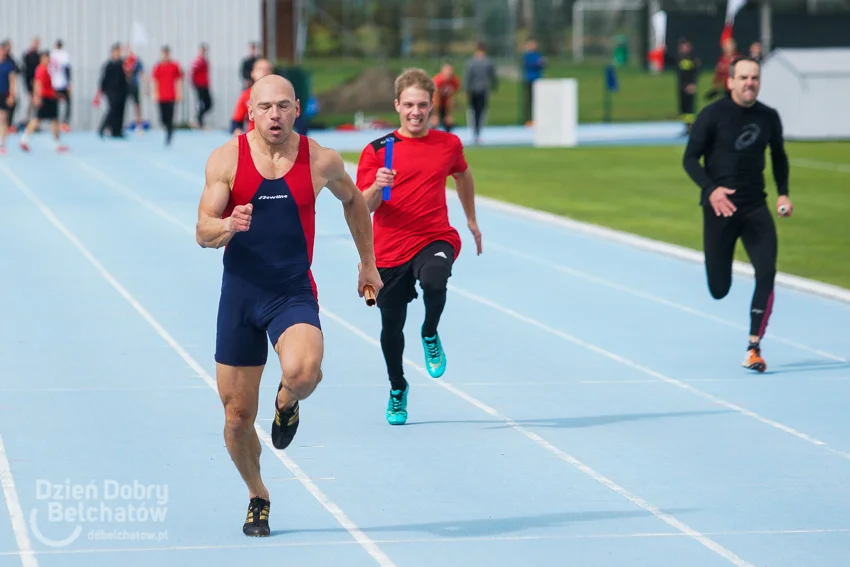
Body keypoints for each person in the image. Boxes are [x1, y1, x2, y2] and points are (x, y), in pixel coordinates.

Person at [195, 74, 382, 537]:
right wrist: (228, 226)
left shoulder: (321, 160)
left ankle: (286, 399)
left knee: (303, 373)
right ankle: (258, 493)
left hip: (291, 291)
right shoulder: (226, 160)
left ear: (297, 108)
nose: (274, 115)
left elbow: (355, 202)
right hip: (240, 295)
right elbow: (202, 230)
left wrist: (368, 263)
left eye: (283, 106)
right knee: (237, 421)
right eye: (265, 107)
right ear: (250, 113)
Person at [355, 67, 482, 426]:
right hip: (390, 248)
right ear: (397, 105)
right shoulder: (378, 151)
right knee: (391, 327)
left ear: (432, 106)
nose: (416, 112)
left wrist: (470, 218)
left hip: (433, 237)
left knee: (435, 280)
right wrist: (377, 186)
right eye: (409, 105)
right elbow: (363, 207)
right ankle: (398, 387)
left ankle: (429, 332)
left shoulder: (448, 144)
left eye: (422, 105)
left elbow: (462, 173)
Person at [682, 56, 792, 373]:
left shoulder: (768, 117)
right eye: (743, 77)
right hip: (720, 209)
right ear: (729, 81)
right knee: (719, 289)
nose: (749, 83)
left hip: (755, 206)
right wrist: (711, 190)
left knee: (767, 272)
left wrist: (783, 192)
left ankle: (753, 347)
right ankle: (723, 275)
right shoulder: (712, 114)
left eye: (754, 78)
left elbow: (779, 157)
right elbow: (690, 160)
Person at [19, 51, 68, 152]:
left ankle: (58, 143)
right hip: (44, 98)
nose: (48, 60)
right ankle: (24, 139)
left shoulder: (48, 69)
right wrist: (37, 97)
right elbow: (37, 84)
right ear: (42, 59)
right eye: (46, 58)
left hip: (50, 97)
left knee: (54, 120)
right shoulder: (41, 69)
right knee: (36, 120)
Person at [463, 42, 498, 146]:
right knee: (473, 112)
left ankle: (478, 133)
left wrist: (493, 88)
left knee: (481, 112)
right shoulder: (471, 63)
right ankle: (474, 132)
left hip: (483, 90)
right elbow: (467, 77)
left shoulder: (487, 62)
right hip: (474, 90)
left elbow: (493, 76)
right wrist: (465, 90)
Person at [230, 58, 272, 136]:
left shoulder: (281, 94)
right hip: (253, 140)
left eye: (268, 69)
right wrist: (237, 130)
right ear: (253, 73)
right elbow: (236, 121)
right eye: (260, 69)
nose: (264, 72)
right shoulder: (246, 95)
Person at [151, 45, 183, 145]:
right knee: (163, 118)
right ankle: (168, 128)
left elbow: (179, 80)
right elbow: (154, 81)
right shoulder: (158, 67)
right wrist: (154, 93)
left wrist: (179, 93)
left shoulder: (174, 65)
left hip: (171, 95)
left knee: (170, 115)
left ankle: (169, 133)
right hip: (161, 95)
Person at [0, 40, 18, 154]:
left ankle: (2, 143)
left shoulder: (9, 64)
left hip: (3, 94)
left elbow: (12, 81)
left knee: (3, 118)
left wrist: (12, 95)